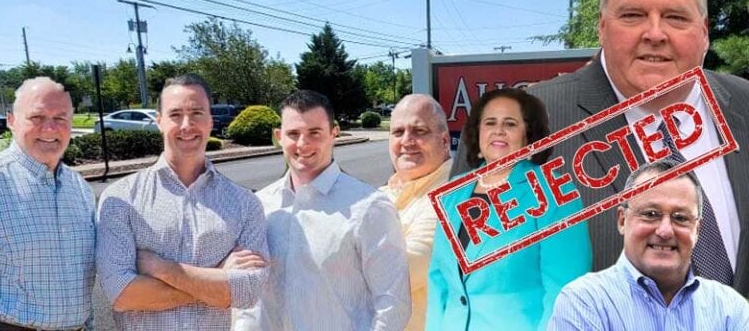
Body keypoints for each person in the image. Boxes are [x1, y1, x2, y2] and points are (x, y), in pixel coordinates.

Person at [456, 0, 749, 296]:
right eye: (632, 15)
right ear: (602, 27)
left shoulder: (743, 102)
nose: (655, 33)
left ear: (704, 32)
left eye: (675, 17)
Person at [96, 74, 268, 331]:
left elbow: (247, 291)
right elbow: (122, 295)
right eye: (175, 114)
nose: (187, 125)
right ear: (159, 121)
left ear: (211, 121)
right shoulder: (120, 198)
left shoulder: (245, 203)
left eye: (197, 113)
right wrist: (218, 277)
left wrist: (161, 268)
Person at [233, 90, 410, 331]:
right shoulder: (260, 206)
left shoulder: (369, 207)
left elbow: (393, 304)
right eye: (293, 134)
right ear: (279, 136)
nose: (303, 144)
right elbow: (250, 301)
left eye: (314, 133)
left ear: (333, 133)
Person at [427, 88, 592, 331]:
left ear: (528, 135)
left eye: (511, 123)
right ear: (478, 133)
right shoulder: (452, 192)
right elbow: (438, 279)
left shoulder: (552, 192)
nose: (499, 130)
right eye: (490, 122)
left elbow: (565, 291)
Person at [548, 159, 749, 330]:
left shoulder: (730, 309)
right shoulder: (584, 302)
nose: (665, 231)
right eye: (650, 214)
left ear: (697, 230)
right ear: (622, 220)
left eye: (680, 218)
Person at [0, 77, 96, 330]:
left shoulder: (80, 189)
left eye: (60, 118)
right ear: (11, 120)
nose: (50, 128)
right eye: (37, 117)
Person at [379, 94, 452, 331]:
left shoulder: (455, 196)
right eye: (398, 132)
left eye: (419, 131)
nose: (407, 141)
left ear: (444, 140)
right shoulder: (380, 195)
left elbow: (402, 270)